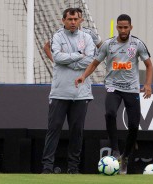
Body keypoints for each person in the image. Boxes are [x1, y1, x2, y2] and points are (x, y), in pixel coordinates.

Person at [75, 14, 153, 175]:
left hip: (131, 89)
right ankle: (116, 150)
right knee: (110, 113)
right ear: (117, 27)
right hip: (113, 87)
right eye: (120, 27)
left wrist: (147, 85)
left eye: (126, 27)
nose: (123, 30)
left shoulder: (137, 44)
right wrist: (84, 75)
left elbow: (149, 65)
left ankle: (125, 157)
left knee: (133, 125)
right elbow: (95, 63)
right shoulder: (108, 45)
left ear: (131, 27)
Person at [41, 8, 95, 174]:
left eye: (76, 19)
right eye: (70, 19)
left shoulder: (87, 37)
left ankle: (73, 168)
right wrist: (79, 55)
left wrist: (69, 59)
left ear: (81, 20)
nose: (73, 22)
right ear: (63, 20)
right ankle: (47, 168)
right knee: (53, 130)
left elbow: (90, 60)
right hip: (59, 93)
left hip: (81, 93)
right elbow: (56, 57)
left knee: (76, 132)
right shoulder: (57, 36)